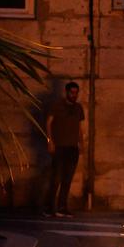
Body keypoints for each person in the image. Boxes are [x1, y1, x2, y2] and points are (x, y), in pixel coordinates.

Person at [43, 81, 86, 217]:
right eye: (72, 92)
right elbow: (48, 123)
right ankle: (49, 208)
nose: (74, 95)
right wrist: (50, 141)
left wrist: (81, 143)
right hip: (59, 147)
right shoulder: (57, 105)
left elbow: (80, 127)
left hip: (72, 148)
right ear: (66, 92)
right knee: (56, 179)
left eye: (76, 92)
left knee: (67, 180)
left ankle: (62, 207)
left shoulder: (78, 108)